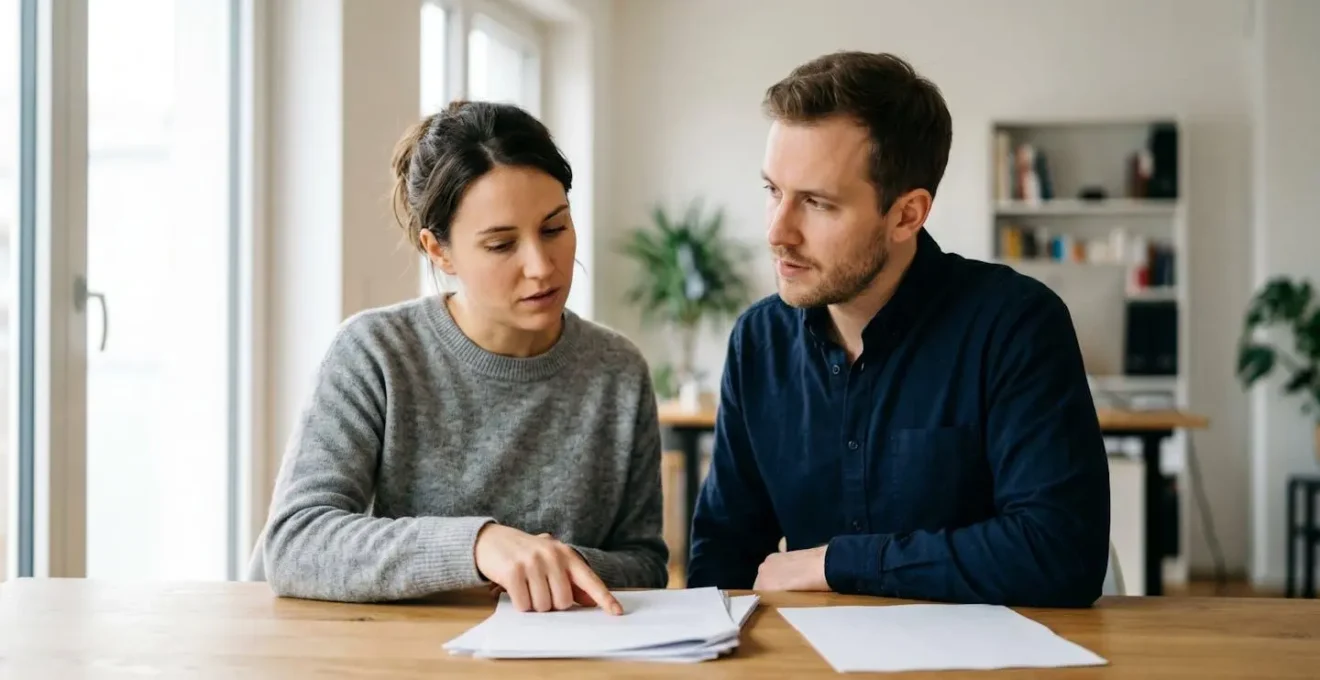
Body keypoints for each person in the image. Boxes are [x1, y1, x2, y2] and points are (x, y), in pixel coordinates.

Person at [686, 51, 1110, 607]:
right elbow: (723, 560)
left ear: (907, 214)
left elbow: (1060, 553)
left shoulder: (1015, 325)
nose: (777, 232)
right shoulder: (758, 343)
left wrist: (837, 562)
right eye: (772, 191)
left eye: (815, 203)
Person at [249, 100, 669, 611]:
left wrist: (543, 564)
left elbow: (644, 563)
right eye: (500, 245)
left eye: (555, 229)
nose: (541, 266)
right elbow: (296, 543)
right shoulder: (376, 354)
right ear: (439, 251)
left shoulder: (618, 371)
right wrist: (479, 546)